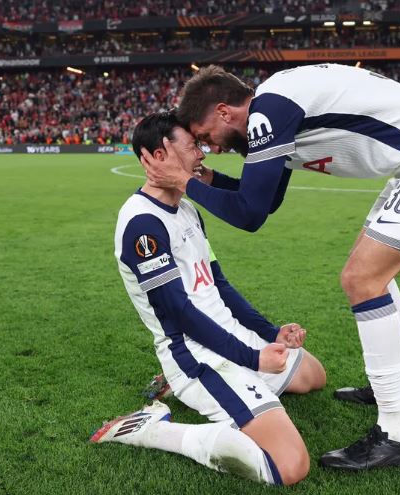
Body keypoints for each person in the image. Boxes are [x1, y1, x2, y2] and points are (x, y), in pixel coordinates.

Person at [139, 64, 400, 471]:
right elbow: (265, 199)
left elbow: (250, 215)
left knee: (363, 279)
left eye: (207, 136)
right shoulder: (277, 111)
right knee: (370, 275)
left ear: (225, 112)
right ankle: (394, 392)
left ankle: (396, 434)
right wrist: (205, 178)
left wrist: (185, 182)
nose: (213, 148)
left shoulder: (269, 111)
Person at [91, 112, 326, 486]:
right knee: (289, 465)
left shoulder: (188, 209)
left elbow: (219, 286)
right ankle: (153, 429)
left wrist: (270, 332)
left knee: (314, 375)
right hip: (198, 356)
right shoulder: (143, 224)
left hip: (230, 335)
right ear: (160, 155)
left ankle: (235, 393)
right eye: (192, 146)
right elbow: (180, 313)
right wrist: (252, 358)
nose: (202, 154)